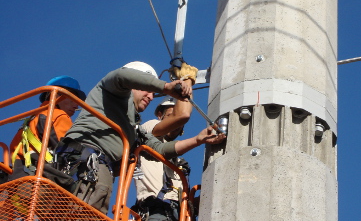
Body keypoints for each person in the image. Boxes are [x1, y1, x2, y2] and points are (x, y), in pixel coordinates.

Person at [55, 61, 226, 215]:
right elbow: (122, 76)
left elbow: (158, 150)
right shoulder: (110, 90)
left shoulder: (133, 128)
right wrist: (166, 87)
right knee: (79, 215)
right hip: (85, 162)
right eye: (148, 90)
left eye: (153, 93)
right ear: (134, 84)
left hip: (97, 170)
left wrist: (199, 140)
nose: (151, 97)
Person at [9, 75, 86, 182]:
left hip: (19, 179)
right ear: (57, 96)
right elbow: (68, 151)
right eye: (73, 100)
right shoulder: (58, 115)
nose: (76, 106)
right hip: (42, 180)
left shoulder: (28, 123)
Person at [134, 95, 193, 221]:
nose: (176, 123)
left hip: (176, 214)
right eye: (171, 116)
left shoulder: (178, 162)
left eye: (180, 123)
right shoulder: (149, 128)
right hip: (156, 209)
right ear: (160, 115)